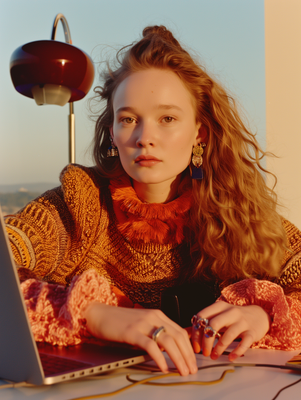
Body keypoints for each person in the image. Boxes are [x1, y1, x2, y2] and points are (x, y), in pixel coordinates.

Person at [5, 26, 301, 377]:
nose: (145, 138)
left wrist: (265, 313)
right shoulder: (77, 204)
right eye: (128, 119)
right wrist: (91, 314)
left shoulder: (241, 210)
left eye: (167, 119)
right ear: (113, 133)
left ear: (198, 133)